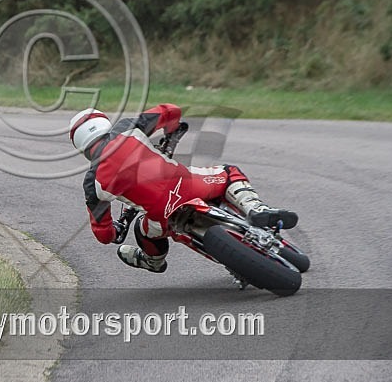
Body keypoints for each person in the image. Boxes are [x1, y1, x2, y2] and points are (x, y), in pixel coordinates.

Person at [69, 105, 298, 273]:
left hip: (161, 217)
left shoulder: (92, 183)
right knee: (229, 173)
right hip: (189, 185)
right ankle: (255, 208)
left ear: (81, 146)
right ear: (104, 123)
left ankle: (153, 262)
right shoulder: (126, 128)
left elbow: (103, 234)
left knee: (142, 230)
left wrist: (114, 232)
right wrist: (172, 131)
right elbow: (169, 110)